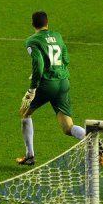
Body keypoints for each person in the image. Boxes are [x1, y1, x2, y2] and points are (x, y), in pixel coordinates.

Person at [16, 11, 88, 166]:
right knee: (68, 127)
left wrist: (32, 90)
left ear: (32, 24)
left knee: (25, 113)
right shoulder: (58, 36)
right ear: (47, 23)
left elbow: (38, 64)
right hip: (63, 82)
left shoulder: (32, 41)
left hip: (47, 84)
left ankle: (30, 156)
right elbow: (66, 59)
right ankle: (91, 141)